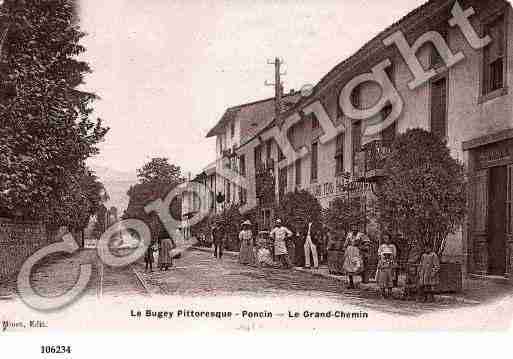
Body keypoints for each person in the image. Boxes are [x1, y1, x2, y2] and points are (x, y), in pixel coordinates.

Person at [376, 233, 397, 298]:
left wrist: (391, 259)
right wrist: (382, 260)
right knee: (382, 279)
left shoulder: (392, 246)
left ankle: (390, 293)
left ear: (390, 239)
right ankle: (382, 293)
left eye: (387, 238)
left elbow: (394, 255)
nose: (386, 240)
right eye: (384, 239)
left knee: (390, 278)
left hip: (390, 264)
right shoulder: (382, 246)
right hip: (383, 264)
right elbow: (379, 254)